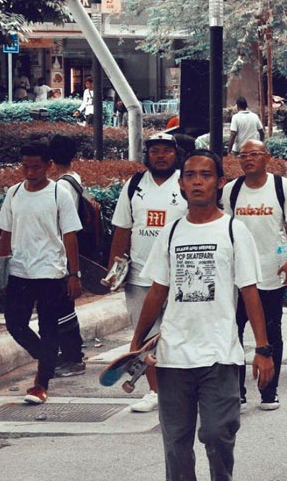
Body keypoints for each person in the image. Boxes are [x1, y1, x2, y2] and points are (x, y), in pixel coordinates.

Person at [129, 149, 273, 481]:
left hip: (220, 354)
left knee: (217, 432)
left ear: (220, 182)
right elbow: (157, 292)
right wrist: (137, 341)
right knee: (176, 443)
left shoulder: (235, 231)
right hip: (174, 356)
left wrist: (263, 350)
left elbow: (250, 293)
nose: (197, 182)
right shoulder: (171, 232)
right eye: (190, 175)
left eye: (206, 175)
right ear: (181, 183)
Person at [108, 132, 188, 412]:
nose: (161, 155)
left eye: (167, 150)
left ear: (175, 154)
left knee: (178, 334)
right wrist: (114, 270)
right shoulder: (133, 186)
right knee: (145, 335)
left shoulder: (186, 182)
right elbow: (122, 229)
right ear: (147, 155)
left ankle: (181, 389)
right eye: (155, 151)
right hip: (141, 276)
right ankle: (155, 391)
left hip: (181, 276)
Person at [221, 139, 287, 410]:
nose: (248, 159)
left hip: (271, 273)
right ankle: (236, 391)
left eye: (254, 154)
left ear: (266, 157)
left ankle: (269, 390)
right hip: (235, 278)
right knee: (233, 333)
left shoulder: (282, 187)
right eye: (243, 155)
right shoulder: (230, 191)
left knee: (271, 332)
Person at [0, 143, 82, 405]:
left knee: (49, 330)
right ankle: (49, 359)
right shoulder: (13, 194)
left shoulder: (59, 194)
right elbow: (5, 234)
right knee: (15, 324)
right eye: (25, 166)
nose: (30, 172)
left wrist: (74, 274)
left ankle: (40, 384)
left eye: (36, 167)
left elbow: (70, 236)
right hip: (19, 271)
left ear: (48, 166)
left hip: (50, 272)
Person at [48, 135, 87, 378]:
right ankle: (70, 355)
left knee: (62, 310)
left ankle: (74, 359)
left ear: (51, 159)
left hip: (62, 258)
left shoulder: (61, 186)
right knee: (64, 309)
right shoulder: (74, 179)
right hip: (66, 258)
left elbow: (62, 228)